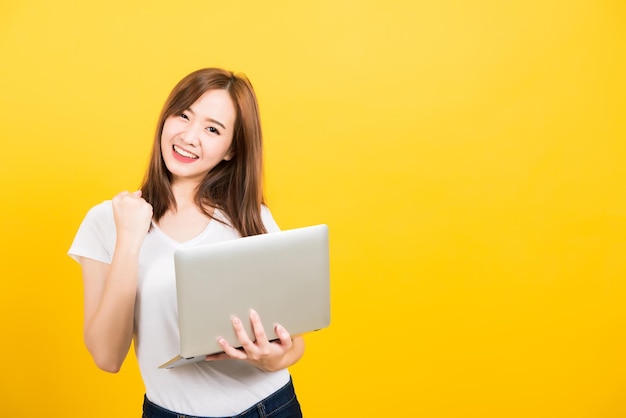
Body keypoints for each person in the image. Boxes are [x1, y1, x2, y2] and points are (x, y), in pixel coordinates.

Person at [68, 68, 305, 418]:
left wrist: (271, 357)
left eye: (212, 129)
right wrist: (129, 242)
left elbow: (293, 343)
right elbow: (106, 357)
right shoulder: (108, 220)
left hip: (268, 407)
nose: (190, 136)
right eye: (183, 115)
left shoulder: (249, 216)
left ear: (230, 150)